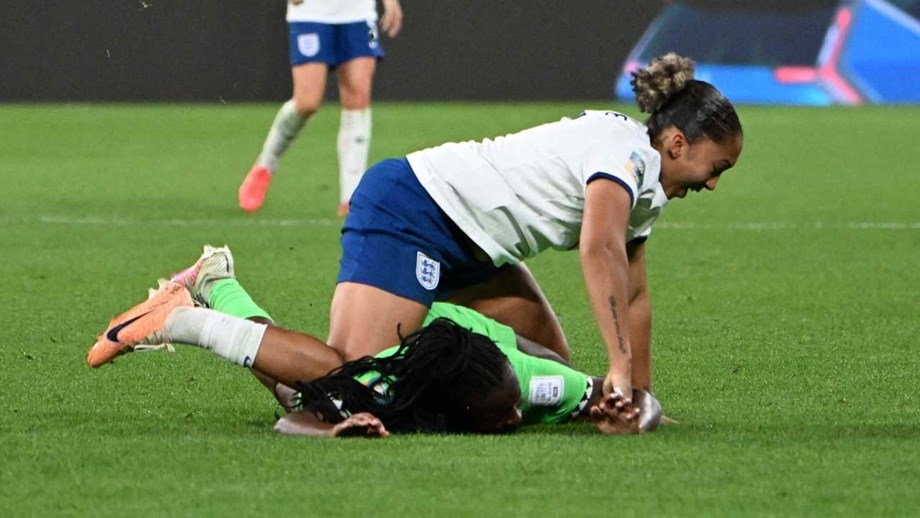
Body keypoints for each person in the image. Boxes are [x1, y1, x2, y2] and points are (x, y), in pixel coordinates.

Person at [322, 52, 744, 405]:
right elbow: (600, 248)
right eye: (716, 167)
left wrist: (639, 396)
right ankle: (256, 340)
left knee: (554, 373)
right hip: (417, 207)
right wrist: (618, 364)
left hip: (479, 253)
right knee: (353, 378)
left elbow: (633, 295)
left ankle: (416, 327)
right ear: (677, 144)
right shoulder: (626, 151)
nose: (712, 183)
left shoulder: (649, 187)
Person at [85, 246, 657, 437]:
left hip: (471, 326)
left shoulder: (532, 386)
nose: (514, 416)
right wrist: (335, 426)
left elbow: (633, 403)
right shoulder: (390, 384)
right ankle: (180, 317)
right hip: (408, 330)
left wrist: (629, 409)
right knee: (303, 386)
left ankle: (215, 281)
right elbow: (293, 420)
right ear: (446, 408)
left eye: (511, 401)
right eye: (500, 410)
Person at [239, 0, 404, 215]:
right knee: (307, 102)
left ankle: (351, 198)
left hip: (360, 13)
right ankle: (265, 165)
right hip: (311, 13)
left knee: (359, 96)